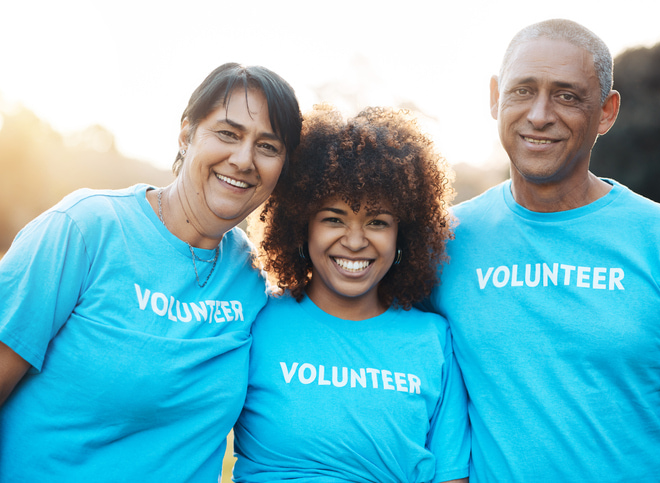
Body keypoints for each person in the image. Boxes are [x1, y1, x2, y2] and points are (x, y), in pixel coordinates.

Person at [426, 19, 660, 482]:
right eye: (522, 91)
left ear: (606, 112)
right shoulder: (442, 242)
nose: (540, 114)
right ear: (494, 98)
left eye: (567, 96)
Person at [0, 63, 302, 481]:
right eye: (228, 134)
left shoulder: (255, 279)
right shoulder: (85, 229)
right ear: (186, 134)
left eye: (268, 147)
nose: (244, 159)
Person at [232, 104, 470, 483]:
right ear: (301, 226)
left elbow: (452, 476)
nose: (356, 241)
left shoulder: (434, 340)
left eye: (377, 221)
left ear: (402, 234)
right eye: (333, 218)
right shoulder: (255, 321)